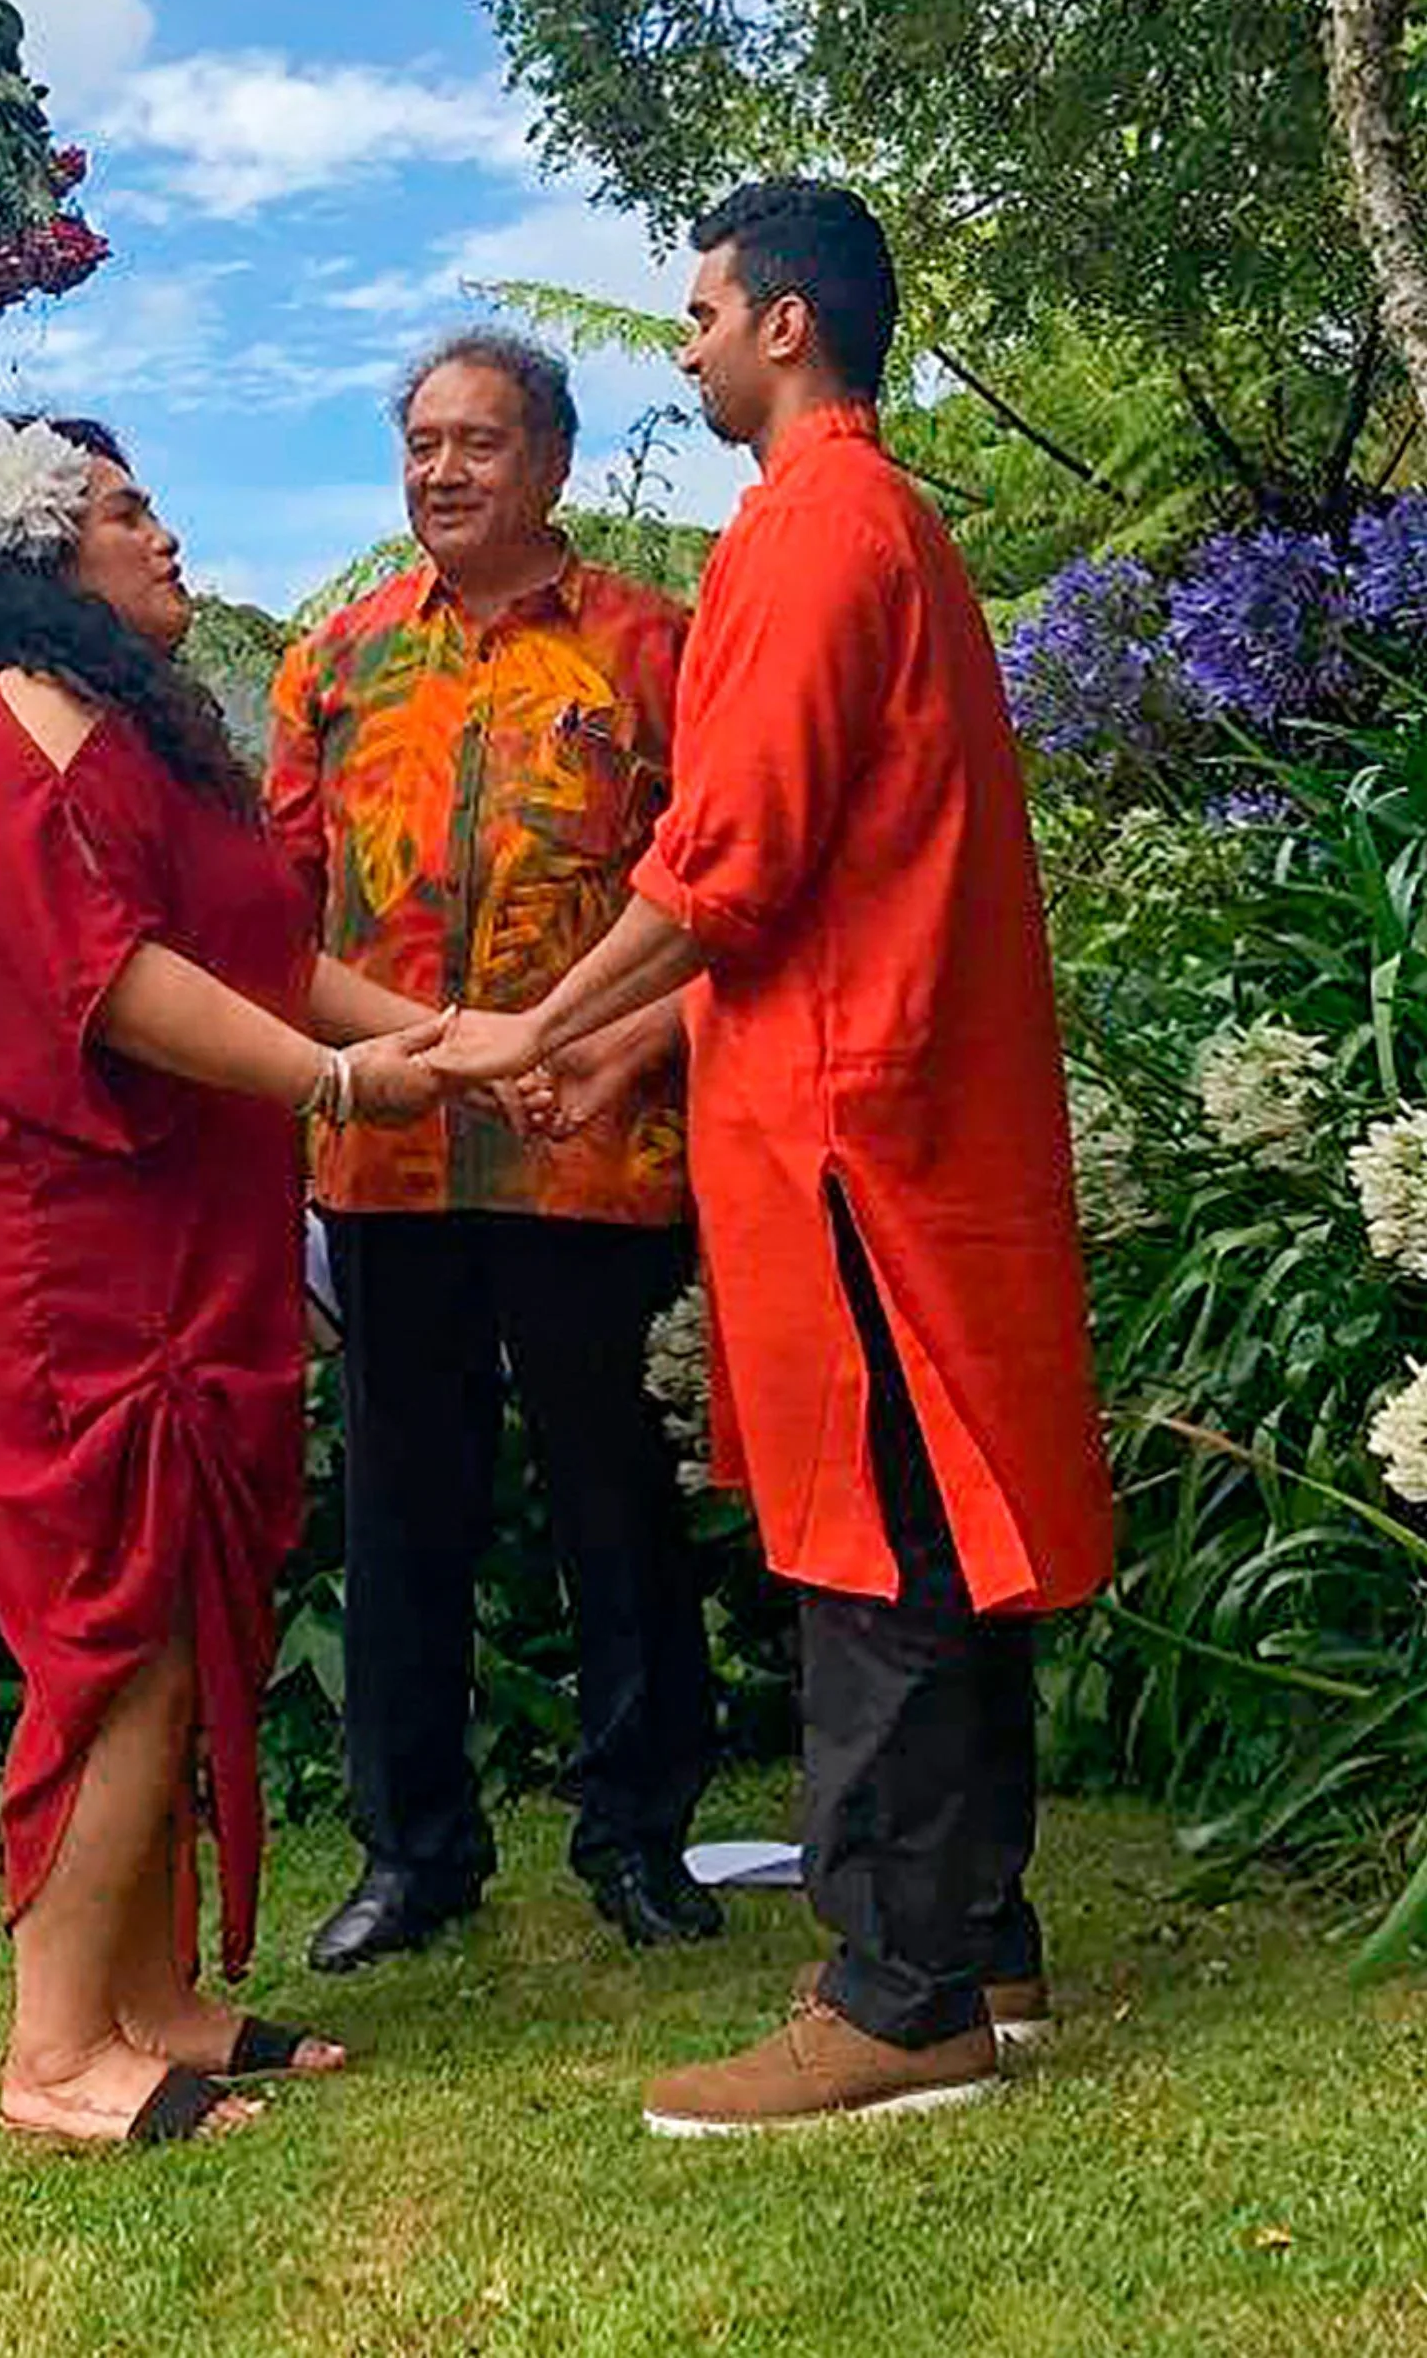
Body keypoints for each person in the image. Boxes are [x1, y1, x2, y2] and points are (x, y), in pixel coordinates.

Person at [422, 184, 1117, 2132]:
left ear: (788, 323)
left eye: (705, 311)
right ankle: (975, 1943)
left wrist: (534, 1026)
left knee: (878, 1539)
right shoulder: (876, 522)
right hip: (880, 1099)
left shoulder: (814, 528)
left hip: (852, 1133)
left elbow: (726, 862)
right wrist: (615, 1046)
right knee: (934, 1522)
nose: (690, 345)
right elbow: (799, 889)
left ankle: (899, 1993)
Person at [0, 412, 448, 2149]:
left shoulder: (131, 737)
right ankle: (56, 2056)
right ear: (42, 555)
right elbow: (109, 980)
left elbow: (260, 959)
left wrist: (463, 1045)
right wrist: (338, 1086)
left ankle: (157, 2000)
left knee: (180, 1606)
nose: (166, 536)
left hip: (163, 1227)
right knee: (112, 1625)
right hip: (43, 1239)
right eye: (127, 513)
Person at [266, 333, 721, 1971]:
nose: (443, 472)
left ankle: (640, 1835)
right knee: (403, 1511)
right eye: (423, 444)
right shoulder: (335, 664)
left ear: (554, 463)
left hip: (597, 1150)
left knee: (618, 1500)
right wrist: (380, 1071)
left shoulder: (656, 648)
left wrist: (603, 1051)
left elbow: (724, 892)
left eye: (479, 443)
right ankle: (415, 1854)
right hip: (391, 1164)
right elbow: (273, 916)